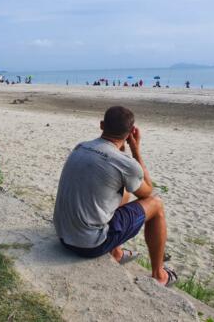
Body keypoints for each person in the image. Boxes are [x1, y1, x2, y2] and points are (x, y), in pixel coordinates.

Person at [53, 106, 176, 286]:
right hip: (89, 246)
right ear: (130, 133)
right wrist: (136, 150)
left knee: (122, 191)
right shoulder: (125, 163)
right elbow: (147, 191)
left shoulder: (80, 147)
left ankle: (117, 253)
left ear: (102, 125)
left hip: (64, 236)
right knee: (156, 204)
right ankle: (159, 275)